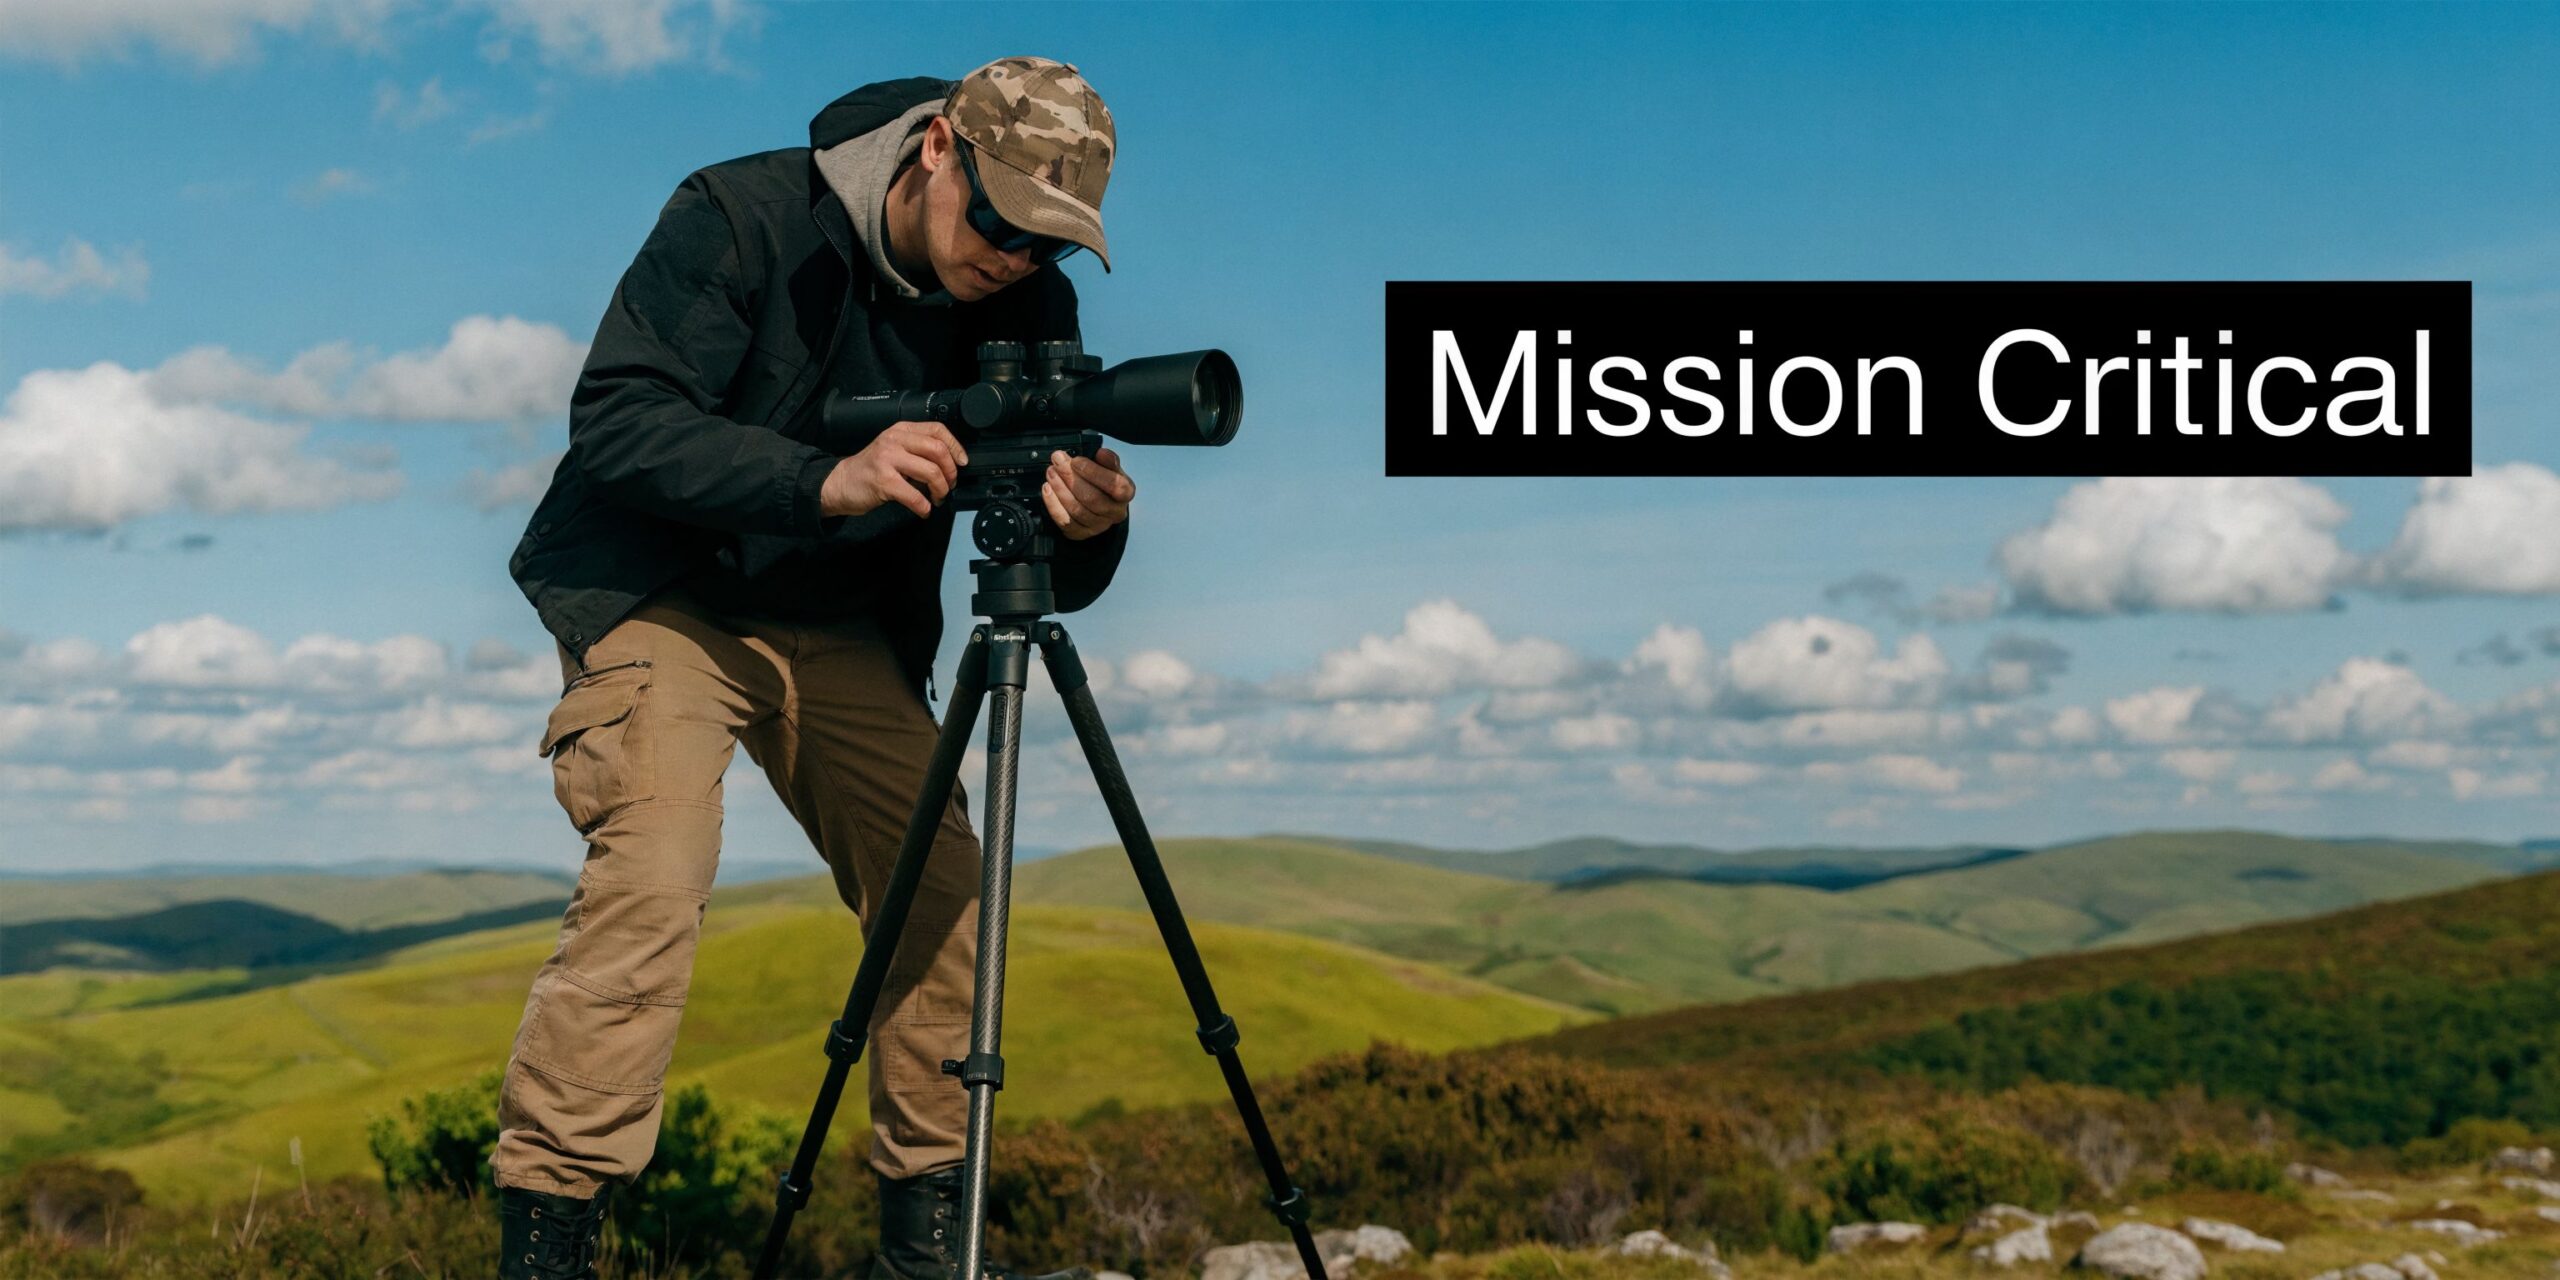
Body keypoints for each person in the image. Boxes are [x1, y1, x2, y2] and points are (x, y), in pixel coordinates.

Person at [491, 56, 1135, 1280]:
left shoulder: (1024, 302)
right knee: (654, 873)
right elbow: (619, 416)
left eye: (1047, 245)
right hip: (666, 593)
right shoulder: (740, 216)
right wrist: (816, 481)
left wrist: (1086, 528)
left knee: (943, 885)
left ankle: (926, 1254)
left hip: (843, 625)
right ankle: (551, 1248)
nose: (1012, 257)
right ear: (938, 148)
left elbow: (1027, 537)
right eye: (1000, 219)